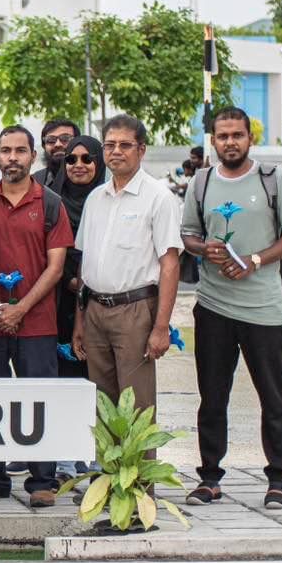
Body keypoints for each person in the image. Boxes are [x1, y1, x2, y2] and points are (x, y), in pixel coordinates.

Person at [181, 107, 282, 511]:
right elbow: (188, 236)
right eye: (222, 136)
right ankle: (210, 478)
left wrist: (255, 260)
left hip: (263, 308)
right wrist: (205, 248)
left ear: (249, 137)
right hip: (213, 305)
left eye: (237, 135)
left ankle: (278, 481)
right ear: (212, 140)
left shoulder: (272, 180)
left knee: (273, 396)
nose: (230, 142)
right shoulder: (200, 183)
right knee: (212, 396)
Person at [0, 126, 73, 508]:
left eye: (20, 151)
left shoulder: (50, 204)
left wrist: (21, 308)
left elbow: (56, 266)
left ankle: (42, 480)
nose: (13, 158)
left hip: (38, 322)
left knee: (38, 401)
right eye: (6, 150)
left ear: (32, 156)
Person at [72, 114, 182, 414]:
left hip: (135, 312)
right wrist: (80, 320)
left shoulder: (159, 198)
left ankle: (139, 464)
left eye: (125, 145)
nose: (116, 151)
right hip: (95, 311)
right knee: (102, 405)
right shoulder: (96, 198)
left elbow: (170, 265)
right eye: (109, 145)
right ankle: (107, 464)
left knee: (136, 406)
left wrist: (161, 328)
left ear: (141, 150)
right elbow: (86, 264)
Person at [49, 135, 106, 481]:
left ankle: (97, 458)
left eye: (87, 158)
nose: (79, 165)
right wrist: (69, 279)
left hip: (100, 300)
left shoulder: (106, 201)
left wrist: (86, 282)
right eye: (71, 159)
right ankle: (65, 460)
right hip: (58, 301)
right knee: (64, 380)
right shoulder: (53, 203)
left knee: (98, 381)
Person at [32, 119, 79, 186]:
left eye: (65, 139)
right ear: (44, 146)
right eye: (51, 140)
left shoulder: (92, 180)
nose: (58, 144)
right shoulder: (34, 182)